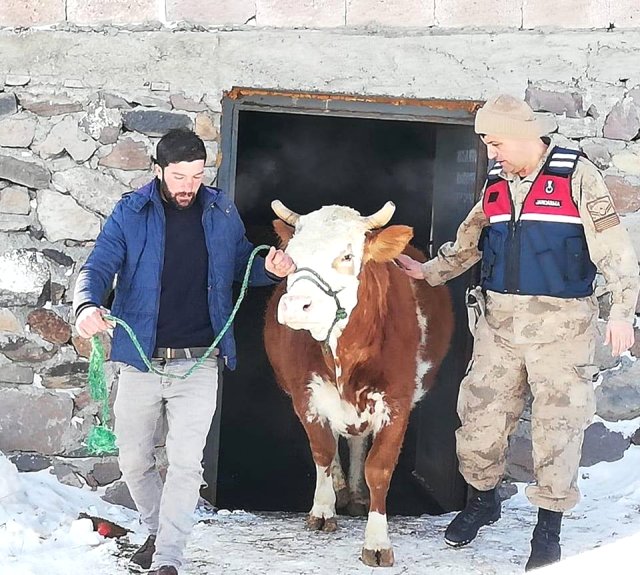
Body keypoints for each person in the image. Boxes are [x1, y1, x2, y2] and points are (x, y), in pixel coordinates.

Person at [397, 94, 639, 570]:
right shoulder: (495, 185)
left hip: (562, 331)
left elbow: (616, 254)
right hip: (498, 328)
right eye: (487, 143)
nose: (492, 153)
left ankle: (548, 529)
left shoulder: (577, 177)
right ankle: (482, 502)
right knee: (479, 424)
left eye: (496, 141)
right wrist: (427, 273)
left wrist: (620, 314)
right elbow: (469, 244)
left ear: (524, 134)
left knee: (557, 431)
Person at [73, 129, 295, 575]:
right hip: (141, 359)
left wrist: (268, 267)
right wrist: (85, 304)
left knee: (185, 463)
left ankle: (169, 558)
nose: (188, 186)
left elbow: (240, 265)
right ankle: (158, 531)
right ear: (157, 171)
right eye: (178, 176)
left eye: (196, 175)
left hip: (199, 361)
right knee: (134, 460)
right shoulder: (130, 212)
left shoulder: (220, 209)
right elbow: (97, 266)